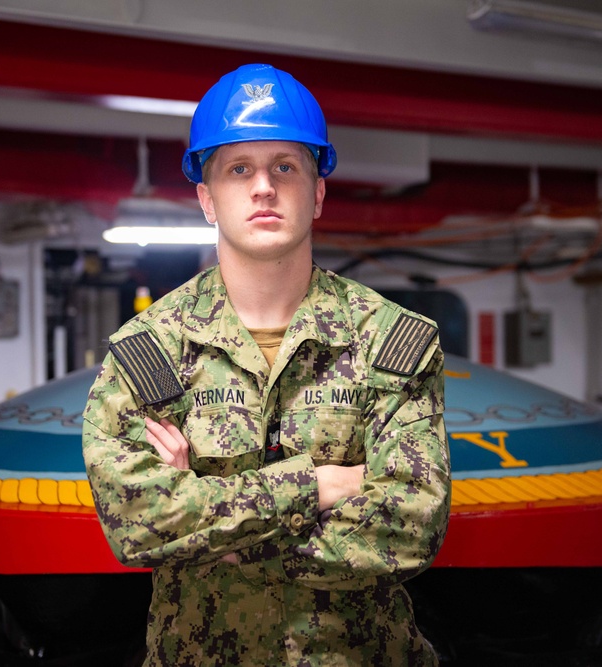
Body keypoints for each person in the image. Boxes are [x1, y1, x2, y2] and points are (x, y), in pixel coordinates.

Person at [83, 63, 450, 666]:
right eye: (238, 169)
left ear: (319, 192)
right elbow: (139, 525)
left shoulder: (389, 340)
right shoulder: (149, 352)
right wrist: (322, 484)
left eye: (285, 166)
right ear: (206, 199)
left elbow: (413, 524)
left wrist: (210, 528)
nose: (263, 187)